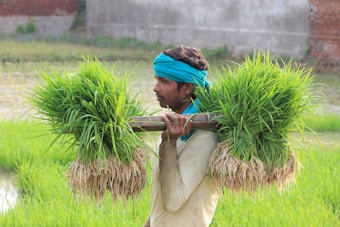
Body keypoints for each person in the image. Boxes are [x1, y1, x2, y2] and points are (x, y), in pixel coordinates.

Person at [144, 46, 220, 227]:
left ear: (187, 88)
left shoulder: (204, 138)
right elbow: (161, 202)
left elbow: (172, 201)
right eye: (157, 79)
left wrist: (169, 143)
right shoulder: (173, 131)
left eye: (163, 81)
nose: (156, 88)